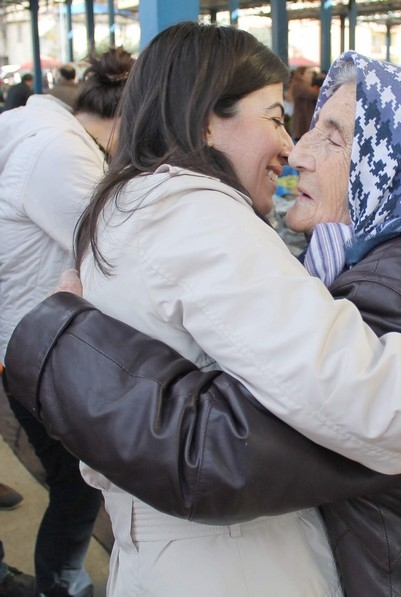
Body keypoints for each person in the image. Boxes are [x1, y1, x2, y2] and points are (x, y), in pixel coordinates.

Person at [6, 51, 401, 596]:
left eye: (333, 136)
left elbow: (228, 454)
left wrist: (63, 347)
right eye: (298, 124)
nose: (299, 151)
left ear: (399, 163)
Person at [0, 48, 134, 597]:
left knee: (73, 484)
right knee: (76, 489)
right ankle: (64, 585)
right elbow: (116, 254)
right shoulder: (63, 155)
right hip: (34, 348)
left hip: (24, 339)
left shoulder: (43, 130)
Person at [289, 65, 319, 140]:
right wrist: (326, 88)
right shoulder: (300, 86)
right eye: (308, 73)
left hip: (303, 124)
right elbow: (313, 95)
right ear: (301, 75)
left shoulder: (303, 86)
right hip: (302, 124)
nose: (311, 75)